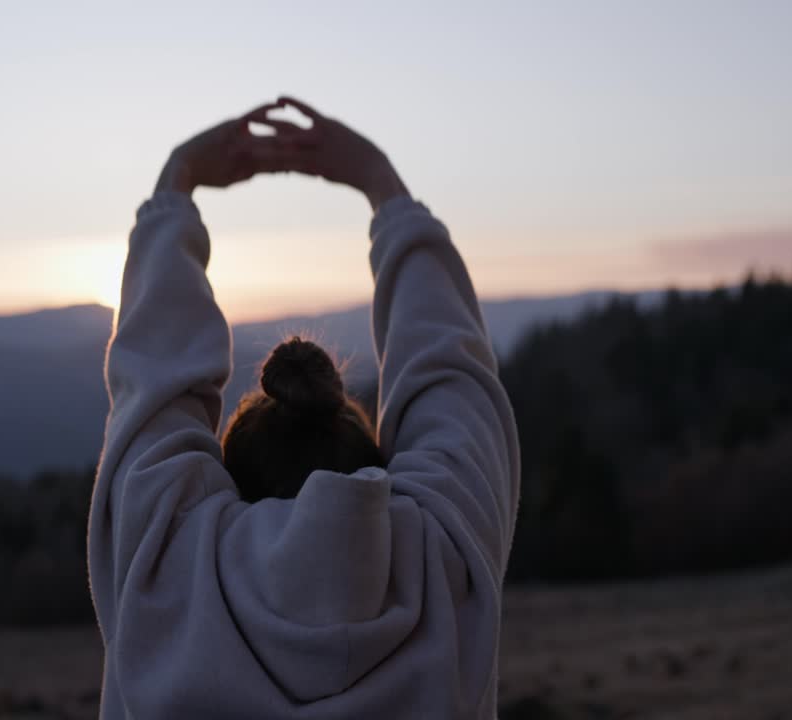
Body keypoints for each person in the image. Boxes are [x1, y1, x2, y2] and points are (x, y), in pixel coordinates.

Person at [87, 97, 520, 719]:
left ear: (229, 471)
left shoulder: (166, 567)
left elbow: (154, 374)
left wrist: (176, 181)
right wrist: (380, 182)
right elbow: (451, 368)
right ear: (373, 459)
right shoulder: (445, 562)